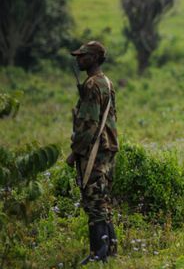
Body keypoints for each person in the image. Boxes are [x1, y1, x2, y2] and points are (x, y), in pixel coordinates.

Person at [67, 41, 118, 264]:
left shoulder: (91, 85)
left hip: (94, 151)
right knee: (102, 199)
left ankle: (99, 253)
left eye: (83, 56)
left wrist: (74, 153)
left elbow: (88, 124)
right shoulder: (107, 82)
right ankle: (111, 249)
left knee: (93, 201)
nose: (78, 59)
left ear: (95, 58)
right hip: (107, 148)